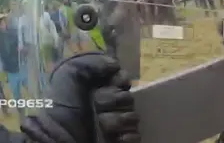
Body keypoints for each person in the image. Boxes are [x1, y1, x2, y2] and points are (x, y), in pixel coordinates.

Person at [0, 53, 140, 143]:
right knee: (17, 93)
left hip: (19, 69)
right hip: (12, 72)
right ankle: (18, 109)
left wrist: (59, 132)